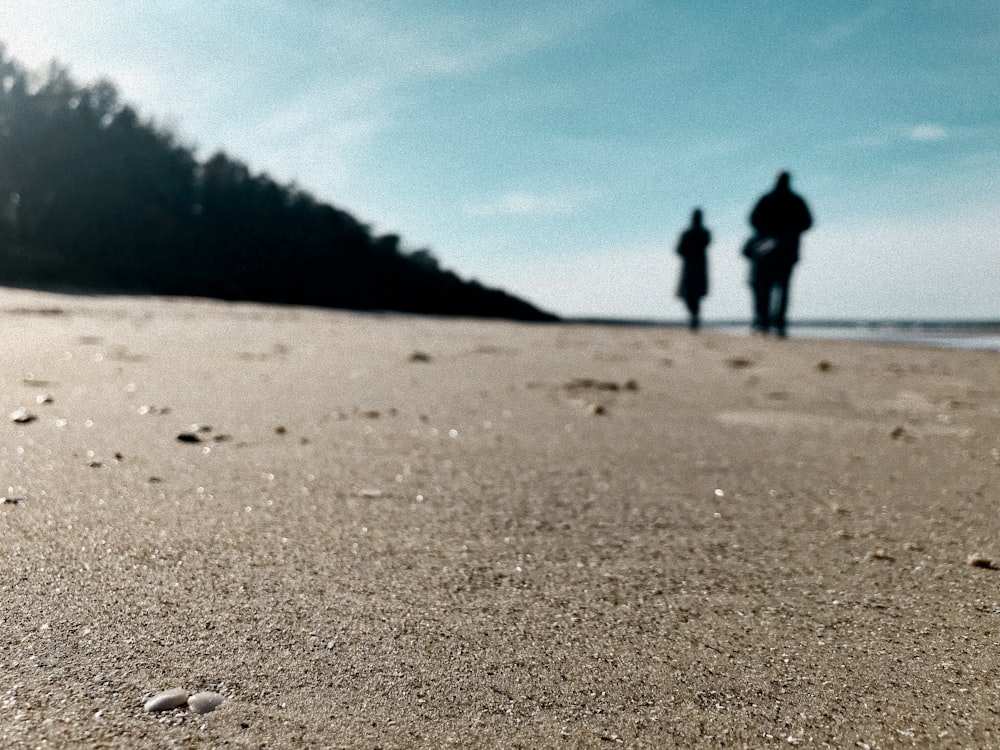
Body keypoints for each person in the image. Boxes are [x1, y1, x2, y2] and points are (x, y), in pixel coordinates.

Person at [746, 172, 812, 336]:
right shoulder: (785, 201)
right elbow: (753, 220)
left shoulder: (782, 200)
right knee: (771, 287)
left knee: (772, 287)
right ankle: (770, 322)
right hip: (776, 250)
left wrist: (782, 231)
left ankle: (771, 322)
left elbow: (807, 222)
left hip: (781, 251)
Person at [675, 208, 711, 330]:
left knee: (695, 295)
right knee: (689, 295)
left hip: (697, 268)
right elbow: (679, 249)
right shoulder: (688, 233)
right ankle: (693, 317)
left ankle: (694, 318)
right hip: (690, 268)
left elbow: (681, 249)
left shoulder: (703, 233)